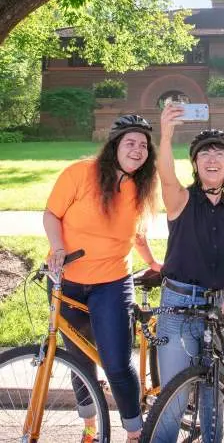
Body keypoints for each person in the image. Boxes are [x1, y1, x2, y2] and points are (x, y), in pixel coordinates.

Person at [43, 114, 162, 443]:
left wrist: (153, 263)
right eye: (130, 142)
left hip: (111, 283)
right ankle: (90, 427)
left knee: (116, 363)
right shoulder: (80, 173)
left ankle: (135, 432)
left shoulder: (140, 188)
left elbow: (137, 235)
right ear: (114, 145)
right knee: (79, 362)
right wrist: (57, 247)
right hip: (65, 281)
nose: (137, 149)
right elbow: (52, 214)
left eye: (143, 145)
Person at [155, 102, 224, 442]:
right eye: (205, 154)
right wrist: (166, 135)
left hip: (220, 305)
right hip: (178, 306)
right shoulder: (180, 200)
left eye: (220, 154)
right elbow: (165, 174)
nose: (212, 159)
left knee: (215, 398)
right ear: (195, 164)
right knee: (172, 401)